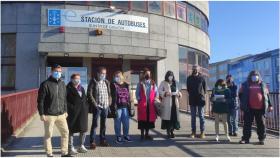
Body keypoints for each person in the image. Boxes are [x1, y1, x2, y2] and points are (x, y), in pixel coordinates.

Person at [37, 64, 70, 157]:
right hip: (49, 115)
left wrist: (65, 111)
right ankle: (49, 153)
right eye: (56, 71)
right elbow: (40, 100)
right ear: (51, 72)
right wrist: (41, 113)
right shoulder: (45, 84)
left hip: (61, 114)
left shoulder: (62, 83)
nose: (58, 73)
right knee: (48, 135)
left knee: (65, 132)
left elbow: (64, 99)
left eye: (59, 72)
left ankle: (64, 152)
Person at [239, 70, 273, 145]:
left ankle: (261, 139)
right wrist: (243, 105)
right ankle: (245, 139)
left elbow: (267, 96)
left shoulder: (263, 84)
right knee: (247, 124)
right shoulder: (245, 84)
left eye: (256, 75)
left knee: (261, 124)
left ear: (259, 76)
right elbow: (240, 95)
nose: (255, 76)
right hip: (249, 108)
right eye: (253, 75)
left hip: (260, 108)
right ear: (250, 76)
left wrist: (270, 105)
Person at [87, 67, 111, 149]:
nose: (103, 75)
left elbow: (109, 93)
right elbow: (89, 94)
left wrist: (109, 102)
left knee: (103, 124)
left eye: (105, 73)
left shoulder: (107, 82)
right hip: (97, 107)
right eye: (102, 73)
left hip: (105, 106)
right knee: (95, 124)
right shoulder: (93, 81)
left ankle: (102, 140)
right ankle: (92, 141)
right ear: (98, 73)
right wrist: (95, 104)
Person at [66, 73, 88, 155]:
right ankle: (70, 147)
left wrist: (86, 107)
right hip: (72, 113)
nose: (77, 80)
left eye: (78, 78)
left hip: (82, 112)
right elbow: (65, 101)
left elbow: (84, 99)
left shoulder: (81, 88)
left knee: (83, 129)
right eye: (75, 78)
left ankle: (81, 146)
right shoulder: (68, 88)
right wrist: (72, 107)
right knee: (71, 130)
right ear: (71, 79)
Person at [135, 68, 159, 140]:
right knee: (142, 120)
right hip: (143, 104)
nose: (148, 75)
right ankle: (142, 134)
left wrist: (155, 98)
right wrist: (140, 100)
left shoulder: (153, 83)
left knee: (149, 119)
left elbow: (156, 92)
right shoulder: (140, 83)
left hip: (150, 104)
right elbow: (137, 93)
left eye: (149, 73)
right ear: (144, 74)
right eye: (146, 73)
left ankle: (147, 134)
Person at [110, 71, 133, 144]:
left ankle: (126, 135)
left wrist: (132, 104)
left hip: (126, 107)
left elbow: (130, 95)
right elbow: (110, 96)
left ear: (122, 76)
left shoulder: (126, 85)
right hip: (117, 107)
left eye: (119, 76)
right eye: (116, 76)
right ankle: (118, 136)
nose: (118, 77)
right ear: (114, 77)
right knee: (117, 123)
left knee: (126, 123)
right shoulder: (112, 85)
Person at [159, 71, 182, 138]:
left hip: (174, 103)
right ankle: (168, 131)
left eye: (172, 75)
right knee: (168, 118)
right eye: (169, 75)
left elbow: (179, 91)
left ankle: (172, 131)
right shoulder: (163, 82)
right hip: (167, 103)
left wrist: (179, 94)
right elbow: (159, 90)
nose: (170, 76)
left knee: (174, 117)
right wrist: (165, 93)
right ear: (167, 76)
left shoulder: (175, 83)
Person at [186, 65, 207, 138]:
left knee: (201, 116)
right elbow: (188, 89)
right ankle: (193, 132)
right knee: (193, 117)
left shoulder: (202, 78)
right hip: (192, 99)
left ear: (199, 69)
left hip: (200, 99)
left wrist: (202, 96)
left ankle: (202, 132)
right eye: (193, 68)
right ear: (192, 69)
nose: (194, 70)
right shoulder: (189, 78)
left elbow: (205, 89)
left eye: (196, 68)